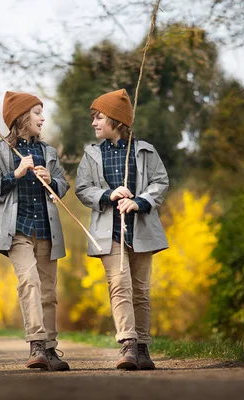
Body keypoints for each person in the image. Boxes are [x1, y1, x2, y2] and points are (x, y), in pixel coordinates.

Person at [75, 88, 169, 370]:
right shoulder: (91, 155)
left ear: (116, 120)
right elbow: (82, 189)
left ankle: (142, 348)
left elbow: (160, 183)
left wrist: (139, 202)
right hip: (108, 231)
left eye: (99, 118)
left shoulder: (144, 151)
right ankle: (127, 343)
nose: (94, 123)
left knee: (140, 290)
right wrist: (108, 195)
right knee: (119, 285)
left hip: (141, 230)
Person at [0, 91, 70, 371]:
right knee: (29, 282)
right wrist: (16, 174)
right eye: (36, 113)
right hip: (17, 231)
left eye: (41, 113)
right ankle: (36, 344)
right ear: (21, 118)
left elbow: (64, 186)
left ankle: (50, 349)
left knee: (49, 292)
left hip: (46, 229)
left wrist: (52, 181)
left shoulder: (49, 152)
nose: (42, 118)